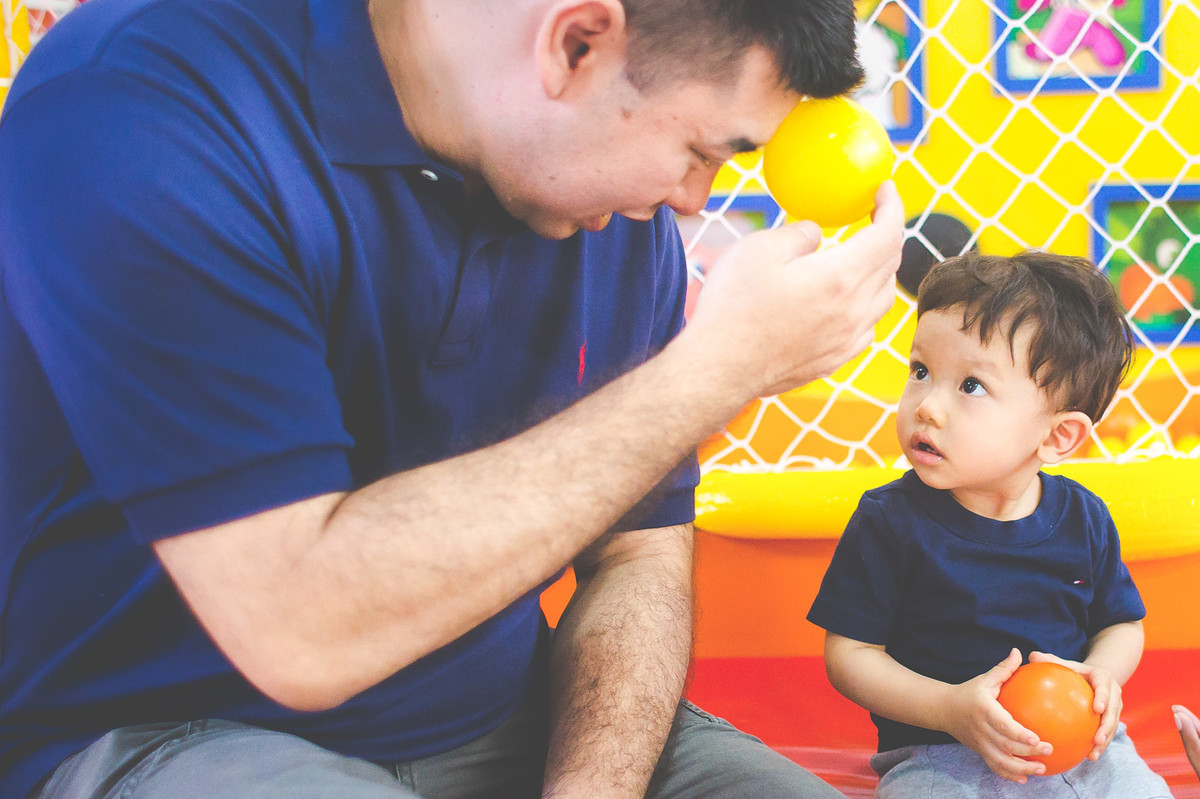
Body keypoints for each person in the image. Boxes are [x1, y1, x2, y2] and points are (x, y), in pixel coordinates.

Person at [0, 0, 906, 797]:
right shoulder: (142, 106)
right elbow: (300, 629)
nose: (688, 198)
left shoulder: (602, 195)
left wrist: (592, 789)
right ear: (578, 42)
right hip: (173, 733)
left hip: (515, 722)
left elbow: (638, 557)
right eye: (699, 151)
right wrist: (716, 371)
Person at [807, 251, 1173, 797]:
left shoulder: (1084, 518)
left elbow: (1121, 624)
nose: (927, 406)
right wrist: (950, 709)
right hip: (939, 752)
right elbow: (850, 656)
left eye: (971, 386)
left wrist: (1101, 676)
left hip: (1079, 748)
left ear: (1055, 437)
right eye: (921, 371)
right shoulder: (890, 520)